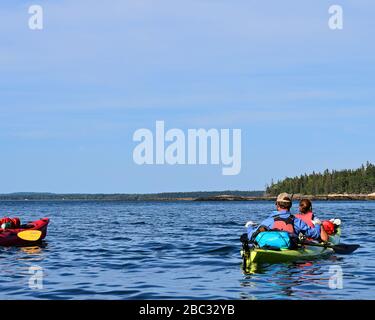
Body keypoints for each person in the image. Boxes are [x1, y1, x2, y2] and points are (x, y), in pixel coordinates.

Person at [246, 193, 328, 242]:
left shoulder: (269, 221)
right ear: (290, 205)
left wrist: (249, 227)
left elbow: (250, 236)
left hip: (271, 246)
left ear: (277, 205)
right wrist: (317, 225)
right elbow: (316, 235)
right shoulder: (296, 221)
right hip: (290, 247)